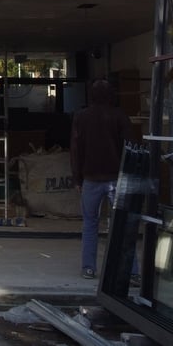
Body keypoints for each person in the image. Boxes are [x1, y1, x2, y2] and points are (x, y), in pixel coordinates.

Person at [70, 77, 137, 281]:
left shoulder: (81, 117)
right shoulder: (120, 116)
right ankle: (132, 272)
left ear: (91, 96)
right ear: (111, 96)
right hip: (117, 179)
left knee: (90, 224)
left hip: (90, 179)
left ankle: (89, 268)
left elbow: (76, 150)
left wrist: (77, 179)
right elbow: (131, 148)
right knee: (123, 225)